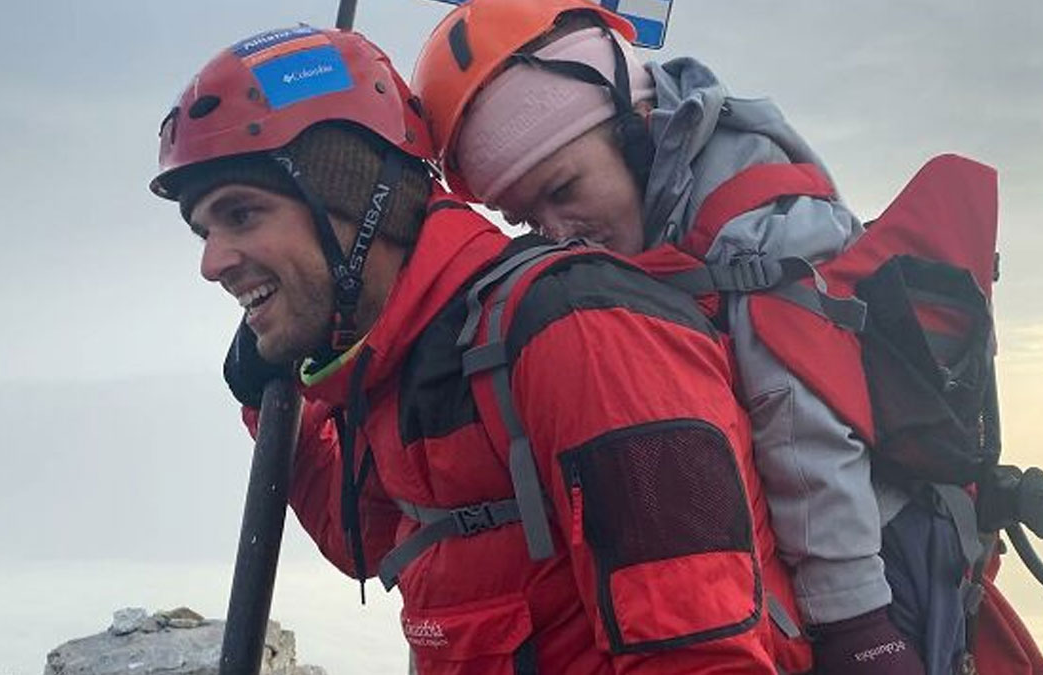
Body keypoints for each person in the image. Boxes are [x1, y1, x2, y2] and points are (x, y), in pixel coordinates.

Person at [151, 25, 808, 674]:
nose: (211, 263)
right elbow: (370, 541)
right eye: (204, 230)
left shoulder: (578, 332)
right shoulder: (406, 358)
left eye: (241, 215)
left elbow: (699, 658)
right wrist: (273, 402)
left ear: (351, 200)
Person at [411, 1, 933, 673]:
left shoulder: (751, 228)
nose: (558, 232)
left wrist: (857, 621)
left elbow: (802, 420)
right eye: (526, 219)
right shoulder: (647, 235)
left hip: (870, 569)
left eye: (564, 188)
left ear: (631, 130)